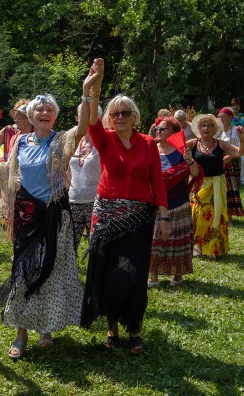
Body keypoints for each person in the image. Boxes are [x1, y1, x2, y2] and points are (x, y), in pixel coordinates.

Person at [0, 58, 103, 360]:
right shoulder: (21, 141)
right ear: (31, 115)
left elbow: (83, 125)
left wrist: (86, 89)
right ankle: (21, 334)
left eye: (50, 110)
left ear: (55, 116)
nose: (44, 113)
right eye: (39, 109)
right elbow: (11, 171)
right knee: (23, 271)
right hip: (26, 215)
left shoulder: (62, 140)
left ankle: (45, 328)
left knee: (50, 270)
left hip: (56, 215)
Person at [80, 83, 170, 355]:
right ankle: (112, 328)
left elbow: (158, 181)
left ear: (135, 116)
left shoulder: (147, 143)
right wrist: (91, 89)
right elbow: (90, 118)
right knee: (108, 272)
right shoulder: (104, 139)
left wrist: (164, 216)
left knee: (133, 273)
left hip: (139, 218)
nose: (119, 117)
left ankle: (135, 328)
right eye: (115, 113)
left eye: (125, 113)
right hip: (107, 217)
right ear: (109, 118)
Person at [148, 116, 202, 288]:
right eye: (157, 129)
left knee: (178, 240)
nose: (158, 131)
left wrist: (189, 160)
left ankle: (178, 275)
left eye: (163, 129)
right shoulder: (151, 150)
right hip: (154, 203)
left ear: (173, 132)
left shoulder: (181, 152)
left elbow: (196, 173)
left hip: (177, 203)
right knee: (154, 241)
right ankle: (153, 275)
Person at [188, 113, 244, 259]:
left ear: (215, 129)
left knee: (215, 215)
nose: (206, 128)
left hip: (217, 184)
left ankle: (212, 246)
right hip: (198, 185)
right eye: (203, 125)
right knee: (198, 213)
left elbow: (239, 152)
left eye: (209, 125)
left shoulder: (220, 144)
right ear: (198, 128)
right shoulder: (193, 143)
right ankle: (197, 244)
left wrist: (242, 140)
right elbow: (174, 149)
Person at [67, 103, 103, 250]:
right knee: (69, 247)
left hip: (95, 202)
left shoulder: (103, 142)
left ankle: (96, 274)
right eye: (82, 115)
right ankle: (69, 273)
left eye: (89, 115)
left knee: (96, 247)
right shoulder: (72, 141)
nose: (85, 118)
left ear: (97, 118)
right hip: (73, 200)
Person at [218, 107, 244, 224]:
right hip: (219, 163)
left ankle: (229, 217)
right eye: (219, 117)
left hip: (232, 163)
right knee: (220, 189)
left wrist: (229, 157)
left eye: (223, 117)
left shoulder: (236, 130)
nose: (221, 119)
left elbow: (240, 150)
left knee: (231, 189)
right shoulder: (216, 131)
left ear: (230, 118)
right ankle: (221, 215)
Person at [230, 98, 244, 184]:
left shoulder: (242, 115)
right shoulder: (229, 115)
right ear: (231, 106)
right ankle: (233, 178)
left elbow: (243, 125)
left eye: (237, 105)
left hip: (241, 136)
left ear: (240, 106)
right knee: (232, 157)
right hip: (232, 136)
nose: (235, 107)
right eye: (234, 105)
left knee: (243, 159)